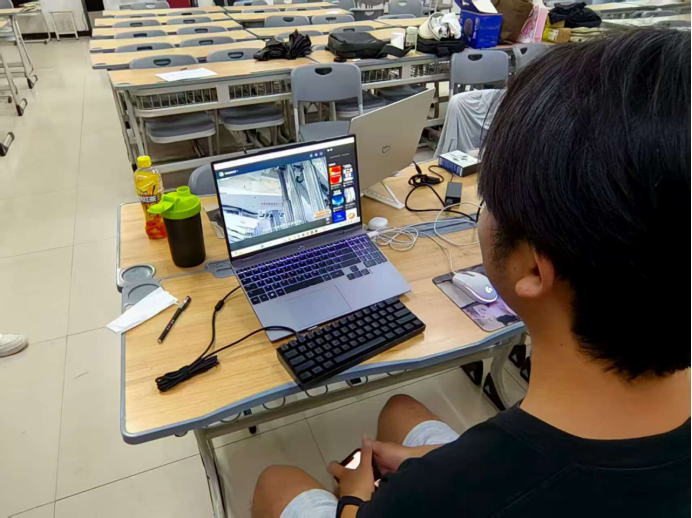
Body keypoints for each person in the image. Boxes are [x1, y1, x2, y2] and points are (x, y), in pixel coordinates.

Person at [252, 29, 692, 518]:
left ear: (533, 267)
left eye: (488, 202)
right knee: (400, 409)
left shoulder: (430, 500)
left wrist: (355, 497)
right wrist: (435, 461)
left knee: (276, 481)